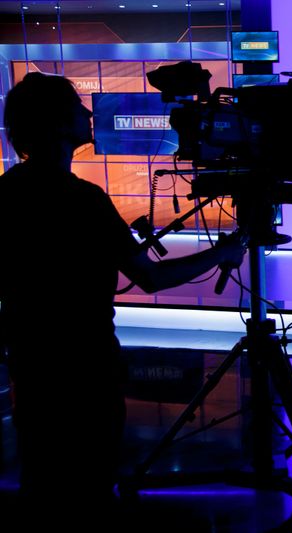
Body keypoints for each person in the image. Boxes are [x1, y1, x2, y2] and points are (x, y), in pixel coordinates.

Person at [0, 72, 246, 531]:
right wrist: (224, 252)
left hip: (32, 369)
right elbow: (151, 276)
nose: (89, 115)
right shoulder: (83, 199)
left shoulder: (6, 193)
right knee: (90, 487)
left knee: (42, 482)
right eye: (78, 108)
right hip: (86, 371)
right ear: (56, 124)